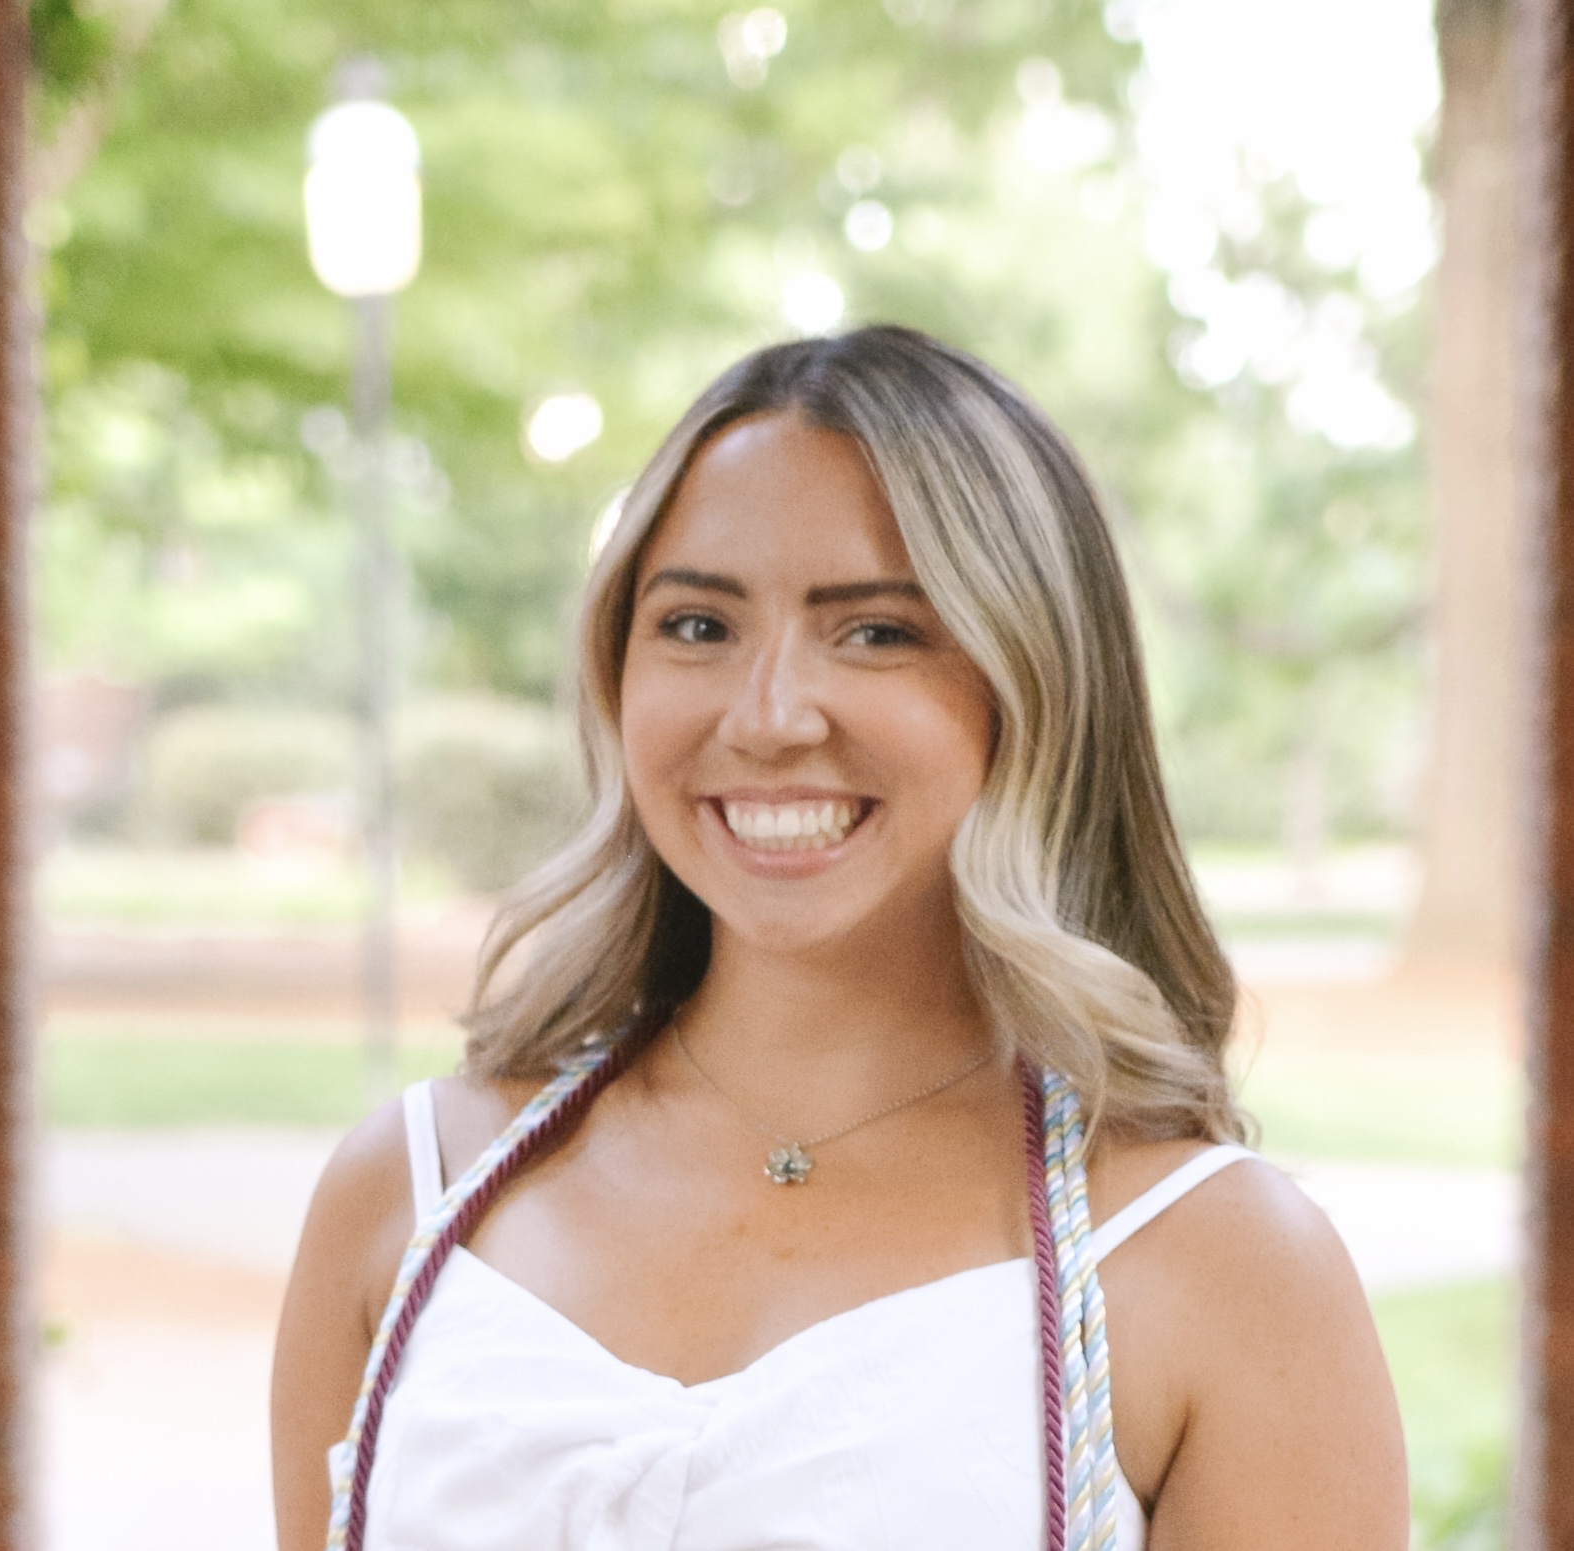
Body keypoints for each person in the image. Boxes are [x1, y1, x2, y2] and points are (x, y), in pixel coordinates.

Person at [272, 325, 1408, 1551]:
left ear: (1036, 683)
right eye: (699, 627)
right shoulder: (414, 1197)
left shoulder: (1215, 1267)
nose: (767, 717)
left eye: (875, 631)